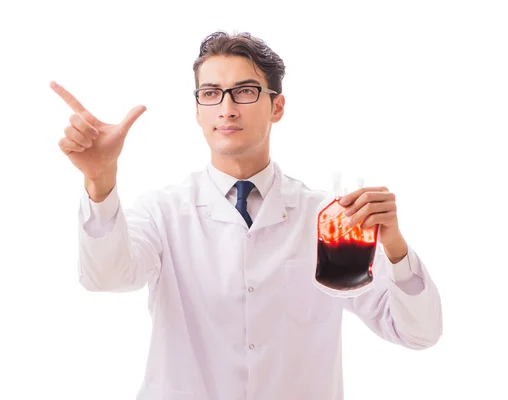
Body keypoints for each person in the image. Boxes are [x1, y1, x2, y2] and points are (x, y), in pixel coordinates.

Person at [51, 31, 442, 400]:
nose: (227, 109)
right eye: (211, 94)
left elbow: (418, 333)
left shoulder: (329, 218)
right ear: (198, 111)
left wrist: (395, 249)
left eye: (244, 91)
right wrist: (100, 182)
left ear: (277, 106)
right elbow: (105, 277)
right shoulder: (163, 213)